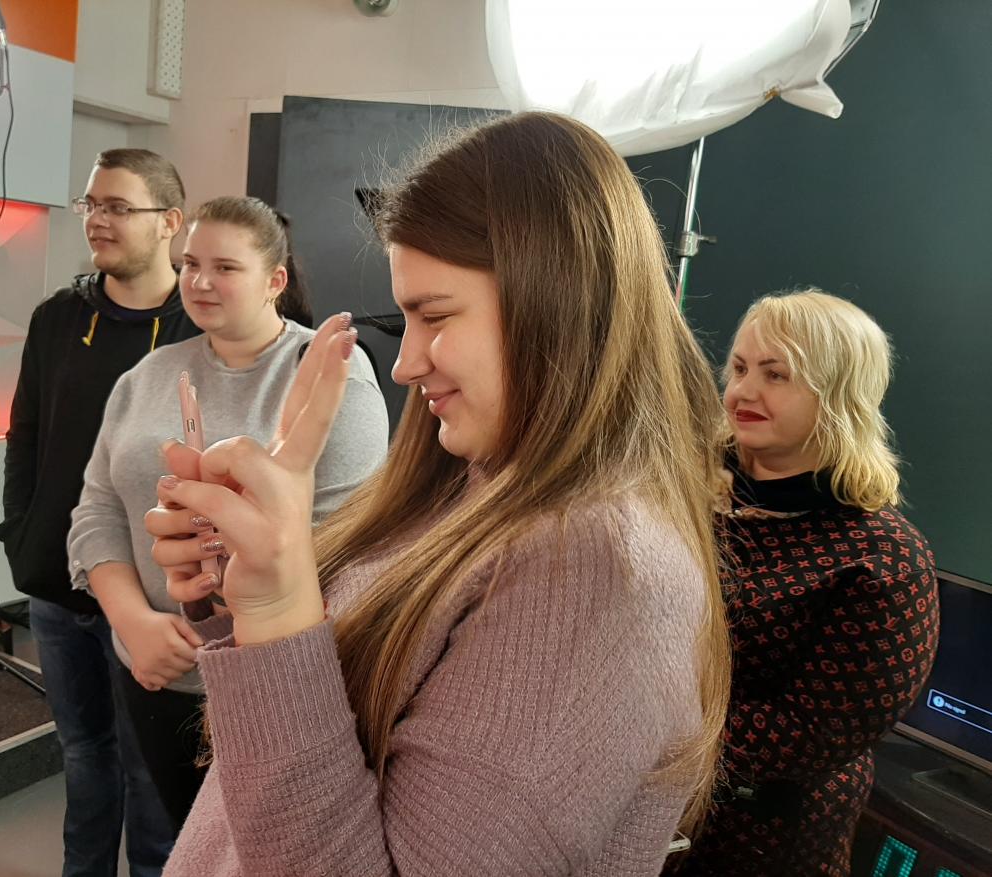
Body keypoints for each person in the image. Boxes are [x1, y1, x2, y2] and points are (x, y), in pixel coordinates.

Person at [145, 111, 732, 876]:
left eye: (436, 314)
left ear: (555, 298)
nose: (405, 362)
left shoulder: (597, 571)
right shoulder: (469, 482)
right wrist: (240, 594)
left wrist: (280, 607)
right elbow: (321, 725)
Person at [66, 195, 389, 837]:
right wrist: (133, 622)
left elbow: (346, 543)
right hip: (154, 667)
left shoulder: (327, 375)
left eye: (225, 267)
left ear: (275, 280)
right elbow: (97, 509)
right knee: (176, 840)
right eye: (190, 264)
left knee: (263, 850)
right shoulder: (148, 375)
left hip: (274, 680)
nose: (201, 282)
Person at [672, 289, 939, 876]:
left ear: (838, 395)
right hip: (632, 809)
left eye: (776, 375)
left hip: (758, 841)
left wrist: (643, 731)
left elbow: (810, 734)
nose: (743, 392)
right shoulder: (679, 496)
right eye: (739, 368)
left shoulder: (884, 558)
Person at [0, 148, 198, 876]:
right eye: (92, 204)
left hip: (153, 597)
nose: (98, 220)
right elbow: (25, 433)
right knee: (84, 758)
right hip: (57, 585)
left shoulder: (200, 326)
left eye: (118, 206)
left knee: (152, 778)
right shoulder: (58, 317)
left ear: (169, 222)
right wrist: (21, 535)